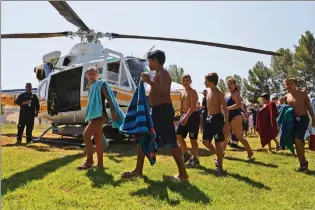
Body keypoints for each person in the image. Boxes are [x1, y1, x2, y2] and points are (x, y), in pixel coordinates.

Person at [122, 50, 188, 181]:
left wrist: (149, 81)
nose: (149, 63)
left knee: (169, 142)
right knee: (144, 136)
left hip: (163, 111)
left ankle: (183, 174)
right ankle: (138, 170)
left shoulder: (163, 73)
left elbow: (164, 91)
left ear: (157, 61)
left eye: (150, 60)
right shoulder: (158, 74)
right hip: (158, 111)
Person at [77, 66, 121, 170]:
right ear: (87, 76)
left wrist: (114, 112)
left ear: (97, 75)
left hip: (100, 115)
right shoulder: (91, 87)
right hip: (95, 116)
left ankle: (89, 161)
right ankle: (100, 164)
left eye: (94, 74)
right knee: (98, 139)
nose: (92, 75)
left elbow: (109, 99)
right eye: (89, 74)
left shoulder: (101, 84)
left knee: (86, 135)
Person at [284, 78, 315, 171]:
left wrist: (313, 119)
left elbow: (309, 107)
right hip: (293, 121)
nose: (289, 85)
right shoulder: (286, 97)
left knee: (298, 140)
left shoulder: (303, 94)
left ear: (295, 84)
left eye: (291, 83)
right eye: (287, 84)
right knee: (296, 143)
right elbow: (285, 112)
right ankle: (302, 163)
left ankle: (303, 161)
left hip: (303, 119)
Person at [202, 73, 229, 173]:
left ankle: (220, 166)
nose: (204, 82)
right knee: (205, 142)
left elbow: (225, 109)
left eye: (205, 80)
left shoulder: (219, 93)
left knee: (218, 143)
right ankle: (219, 155)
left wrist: (226, 123)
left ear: (210, 81)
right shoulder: (208, 93)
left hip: (217, 119)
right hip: (209, 119)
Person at [223, 78, 254, 159]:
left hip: (236, 116)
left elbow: (238, 105)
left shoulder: (236, 93)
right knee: (225, 135)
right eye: (228, 84)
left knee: (239, 136)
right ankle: (221, 153)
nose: (229, 85)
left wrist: (227, 108)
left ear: (234, 85)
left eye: (231, 84)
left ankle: (249, 151)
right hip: (228, 117)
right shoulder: (227, 94)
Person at [176, 74, 200, 167]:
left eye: (187, 80)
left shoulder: (193, 92)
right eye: (184, 81)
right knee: (178, 135)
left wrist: (186, 117)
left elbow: (193, 107)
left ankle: (195, 159)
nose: (185, 82)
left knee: (192, 138)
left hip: (193, 116)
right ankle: (186, 153)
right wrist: (181, 117)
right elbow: (182, 107)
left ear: (190, 81)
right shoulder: (182, 94)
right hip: (184, 116)